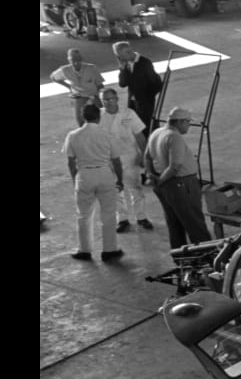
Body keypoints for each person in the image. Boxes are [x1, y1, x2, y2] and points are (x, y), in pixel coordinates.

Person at [62, 103, 124, 262]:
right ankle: (109, 250)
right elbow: (116, 161)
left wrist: (75, 179)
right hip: (104, 174)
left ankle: (85, 250)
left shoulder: (73, 135)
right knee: (108, 214)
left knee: (83, 215)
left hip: (84, 175)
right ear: (99, 117)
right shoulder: (107, 135)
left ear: (83, 117)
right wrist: (120, 179)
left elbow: (70, 162)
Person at [144, 107, 212, 249]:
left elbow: (147, 157)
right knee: (195, 223)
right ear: (180, 122)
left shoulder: (156, 133)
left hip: (167, 185)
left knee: (174, 223)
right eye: (187, 122)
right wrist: (161, 182)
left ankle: (179, 256)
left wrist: (152, 176)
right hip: (182, 185)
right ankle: (207, 255)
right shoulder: (174, 137)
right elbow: (175, 166)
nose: (188, 126)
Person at [99, 88, 152, 233]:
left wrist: (145, 155)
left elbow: (139, 136)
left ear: (117, 99)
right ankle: (122, 219)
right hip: (108, 159)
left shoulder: (128, 114)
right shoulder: (99, 116)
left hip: (129, 157)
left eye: (111, 99)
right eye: (105, 100)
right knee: (115, 189)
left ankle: (141, 217)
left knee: (135, 187)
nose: (108, 102)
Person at [114, 41, 163, 140]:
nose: (120, 59)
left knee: (147, 125)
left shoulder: (144, 63)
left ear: (128, 52)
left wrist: (148, 97)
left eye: (121, 56)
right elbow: (122, 84)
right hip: (133, 101)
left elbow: (156, 83)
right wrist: (122, 69)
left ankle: (154, 143)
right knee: (136, 124)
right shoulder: (126, 64)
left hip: (145, 101)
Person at [50, 48, 104, 126]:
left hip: (93, 95)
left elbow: (100, 85)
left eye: (78, 59)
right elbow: (53, 77)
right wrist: (69, 87)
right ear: (69, 60)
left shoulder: (92, 68)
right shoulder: (65, 70)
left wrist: (97, 96)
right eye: (73, 60)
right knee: (81, 122)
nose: (76, 62)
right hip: (79, 97)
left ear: (82, 59)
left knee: (101, 119)